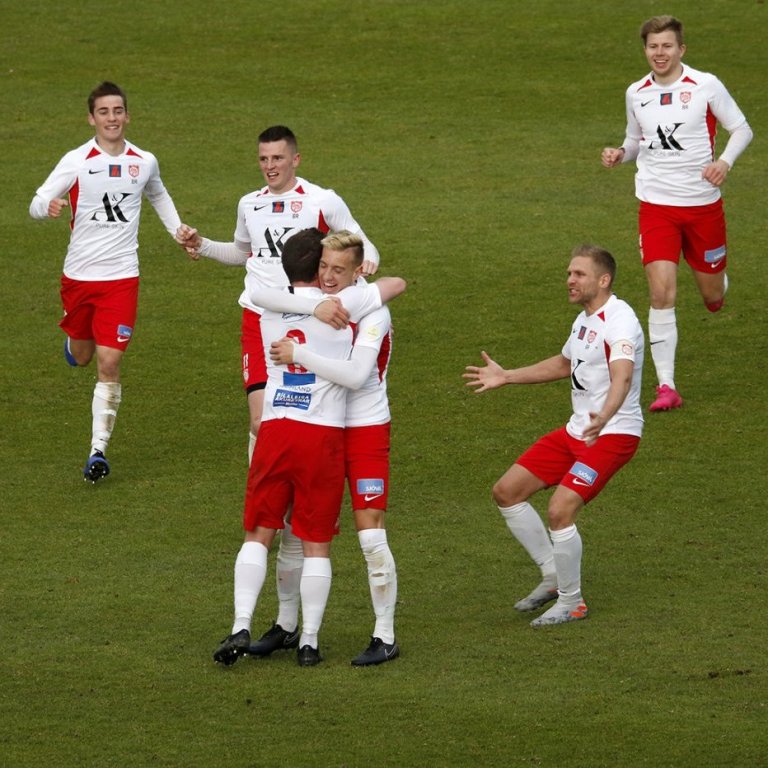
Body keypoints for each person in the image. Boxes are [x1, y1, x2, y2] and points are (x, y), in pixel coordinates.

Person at [213, 229, 405, 667]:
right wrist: (311, 304)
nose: (330, 276)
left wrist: (298, 353)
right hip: (323, 428)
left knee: (370, 535)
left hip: (365, 429)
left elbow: (357, 374)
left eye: (339, 269)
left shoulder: (372, 310)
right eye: (323, 267)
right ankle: (287, 627)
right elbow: (263, 290)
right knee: (297, 532)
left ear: (359, 271)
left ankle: (385, 634)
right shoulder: (317, 302)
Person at [175, 125, 380, 461]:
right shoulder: (249, 204)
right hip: (259, 318)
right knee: (261, 420)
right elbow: (242, 253)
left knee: (306, 416)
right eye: (263, 159)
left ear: (295, 159)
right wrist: (203, 245)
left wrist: (367, 263)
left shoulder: (322, 200)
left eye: (278, 158)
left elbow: (363, 243)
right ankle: (264, 500)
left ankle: (297, 496)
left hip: (309, 318)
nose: (270, 166)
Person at [464, 245, 644, 627]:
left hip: (612, 434)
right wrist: (507, 375)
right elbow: (565, 363)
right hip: (577, 429)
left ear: (603, 279)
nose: (570, 281)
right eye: (569, 274)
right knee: (507, 491)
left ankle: (572, 600)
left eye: (578, 274)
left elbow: (623, 376)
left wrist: (605, 417)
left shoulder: (620, 321)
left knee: (561, 509)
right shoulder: (585, 321)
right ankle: (551, 575)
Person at [29, 81, 188, 482]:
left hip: (122, 277)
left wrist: (179, 231)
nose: (112, 118)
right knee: (82, 355)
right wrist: (46, 206)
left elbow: (159, 195)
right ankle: (74, 341)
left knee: (110, 360)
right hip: (80, 277)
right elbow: (36, 199)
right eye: (104, 112)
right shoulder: (77, 160)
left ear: (127, 116)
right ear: (91, 118)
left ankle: (98, 450)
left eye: (118, 111)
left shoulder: (144, 160)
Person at [601, 15, 753, 412]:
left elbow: (742, 129)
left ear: (681, 49)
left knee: (712, 296)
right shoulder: (636, 92)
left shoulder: (705, 85)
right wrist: (621, 153)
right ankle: (667, 386)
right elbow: (636, 140)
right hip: (656, 207)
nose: (660, 53)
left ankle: (718, 280)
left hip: (702, 207)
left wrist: (725, 163)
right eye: (653, 46)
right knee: (661, 291)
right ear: (645, 50)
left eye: (667, 46)